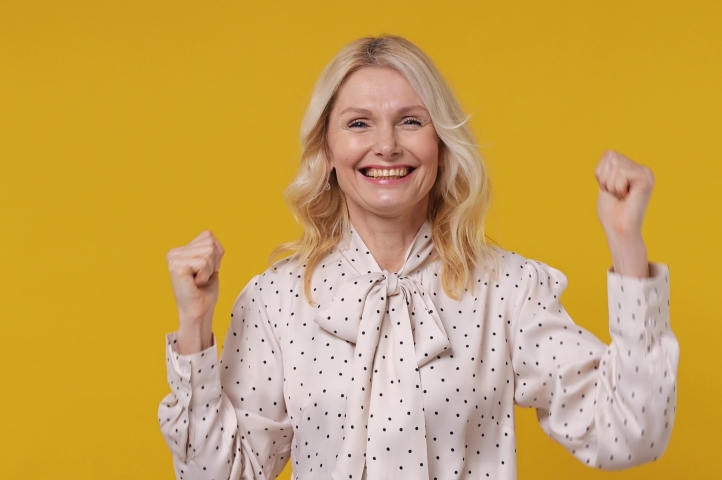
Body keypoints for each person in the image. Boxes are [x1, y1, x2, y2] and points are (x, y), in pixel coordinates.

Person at [158, 35, 679, 480]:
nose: (386, 146)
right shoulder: (275, 300)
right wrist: (194, 327)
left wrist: (626, 244)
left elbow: (631, 434)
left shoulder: (509, 289)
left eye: (410, 121)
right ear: (328, 149)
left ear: (442, 143)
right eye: (359, 124)